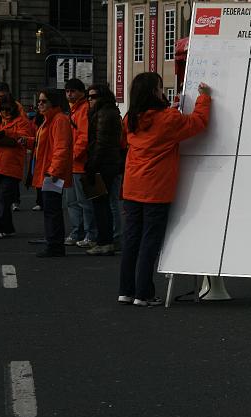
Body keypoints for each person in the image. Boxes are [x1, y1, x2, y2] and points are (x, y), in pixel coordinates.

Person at [118, 72, 211, 306]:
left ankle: (126, 291)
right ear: (154, 92)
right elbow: (198, 123)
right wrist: (204, 99)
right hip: (155, 189)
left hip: (132, 186)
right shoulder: (167, 119)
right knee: (150, 241)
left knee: (131, 240)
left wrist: (174, 108)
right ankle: (144, 294)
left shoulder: (130, 118)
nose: (162, 92)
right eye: (160, 88)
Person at [22, 89, 73, 257]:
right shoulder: (47, 120)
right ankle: (53, 242)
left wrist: (54, 171)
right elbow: (41, 145)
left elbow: (61, 148)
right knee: (50, 209)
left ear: (53, 103)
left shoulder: (59, 120)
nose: (40, 104)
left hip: (51, 174)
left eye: (44, 101)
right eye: (39, 101)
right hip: (47, 172)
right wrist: (28, 142)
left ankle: (55, 245)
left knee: (52, 210)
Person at [0, 92, 33, 239]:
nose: (5, 112)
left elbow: (26, 138)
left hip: (11, 164)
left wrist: (7, 133)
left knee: (4, 197)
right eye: (3, 109)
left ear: (13, 108)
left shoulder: (22, 120)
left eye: (8, 109)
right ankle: (8, 227)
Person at [84, 83, 123, 256]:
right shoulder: (108, 111)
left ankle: (105, 240)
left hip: (103, 164)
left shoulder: (103, 113)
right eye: (88, 96)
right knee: (103, 203)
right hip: (108, 163)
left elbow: (101, 143)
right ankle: (106, 239)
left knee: (100, 203)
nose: (89, 100)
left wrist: (92, 165)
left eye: (93, 96)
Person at [63, 78, 96, 247]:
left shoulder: (82, 110)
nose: (69, 94)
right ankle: (79, 232)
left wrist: (73, 155)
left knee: (83, 202)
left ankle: (88, 233)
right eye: (68, 91)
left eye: (73, 91)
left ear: (81, 92)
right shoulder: (75, 110)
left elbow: (84, 136)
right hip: (74, 164)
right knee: (74, 202)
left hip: (81, 164)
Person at [0, 82, 27, 211]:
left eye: (3, 96)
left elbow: (23, 126)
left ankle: (15, 201)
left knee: (12, 179)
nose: (1, 99)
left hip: (12, 150)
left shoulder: (18, 107)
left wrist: (8, 132)